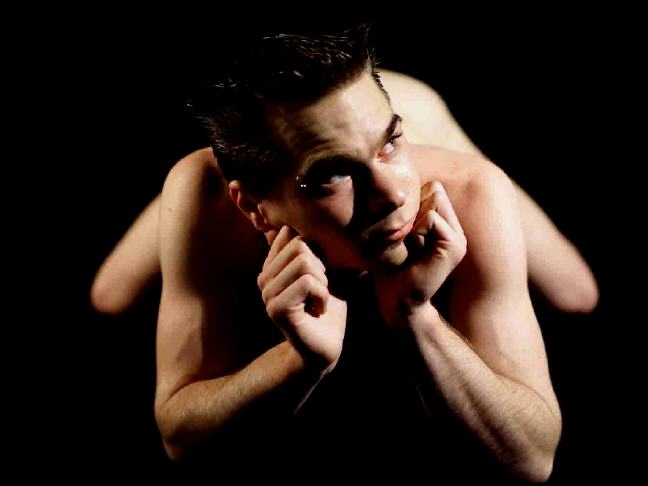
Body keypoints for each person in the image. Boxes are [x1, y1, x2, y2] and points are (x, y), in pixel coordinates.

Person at [91, 25, 595, 482]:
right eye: (333, 174)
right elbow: (179, 440)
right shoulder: (206, 195)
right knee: (110, 295)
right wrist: (299, 361)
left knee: (576, 292)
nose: (393, 194)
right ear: (255, 208)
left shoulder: (471, 189)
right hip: (258, 162)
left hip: (411, 107)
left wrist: (416, 316)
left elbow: (533, 459)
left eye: (391, 143)